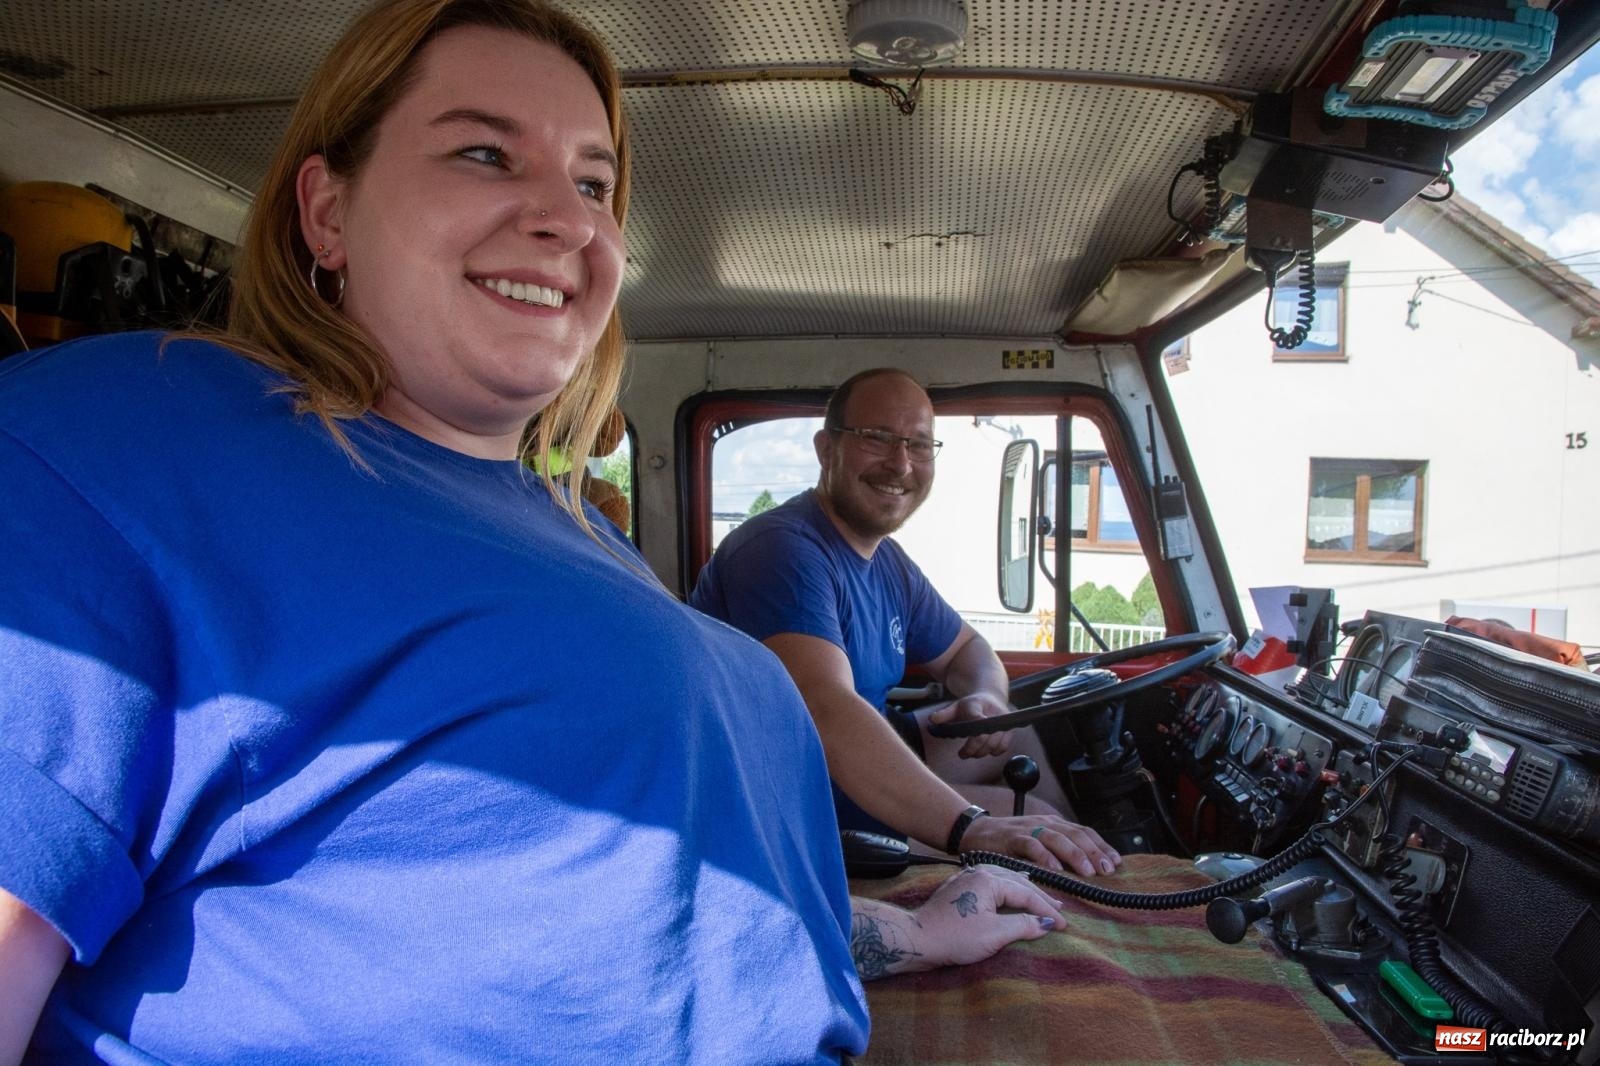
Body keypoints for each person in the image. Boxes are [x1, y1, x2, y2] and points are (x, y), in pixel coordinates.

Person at [0, 3, 1064, 1062]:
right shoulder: (114, 446)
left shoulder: (583, 541)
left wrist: (907, 931)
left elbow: (655, 902)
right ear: (327, 210)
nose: (568, 219)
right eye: (483, 153)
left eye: (593, 183)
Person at [691, 368, 1124, 878]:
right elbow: (823, 710)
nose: (900, 463)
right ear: (826, 448)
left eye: (919, 445)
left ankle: (1092, 894)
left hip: (840, 772)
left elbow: (968, 650)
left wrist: (987, 697)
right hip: (784, 797)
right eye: (876, 438)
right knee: (1038, 824)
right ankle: (1090, 903)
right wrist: (972, 827)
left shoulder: (887, 562)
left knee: (1018, 732)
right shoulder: (782, 551)